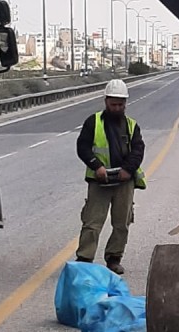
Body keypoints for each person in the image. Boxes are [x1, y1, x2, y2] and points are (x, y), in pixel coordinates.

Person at [75, 79, 146, 275]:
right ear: (106, 101)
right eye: (113, 104)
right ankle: (84, 259)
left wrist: (127, 170)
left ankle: (114, 258)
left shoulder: (132, 126)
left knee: (122, 223)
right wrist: (96, 166)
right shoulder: (93, 122)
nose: (116, 108)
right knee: (92, 222)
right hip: (100, 181)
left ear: (125, 104)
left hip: (124, 181)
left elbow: (138, 151)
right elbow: (83, 147)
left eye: (120, 104)